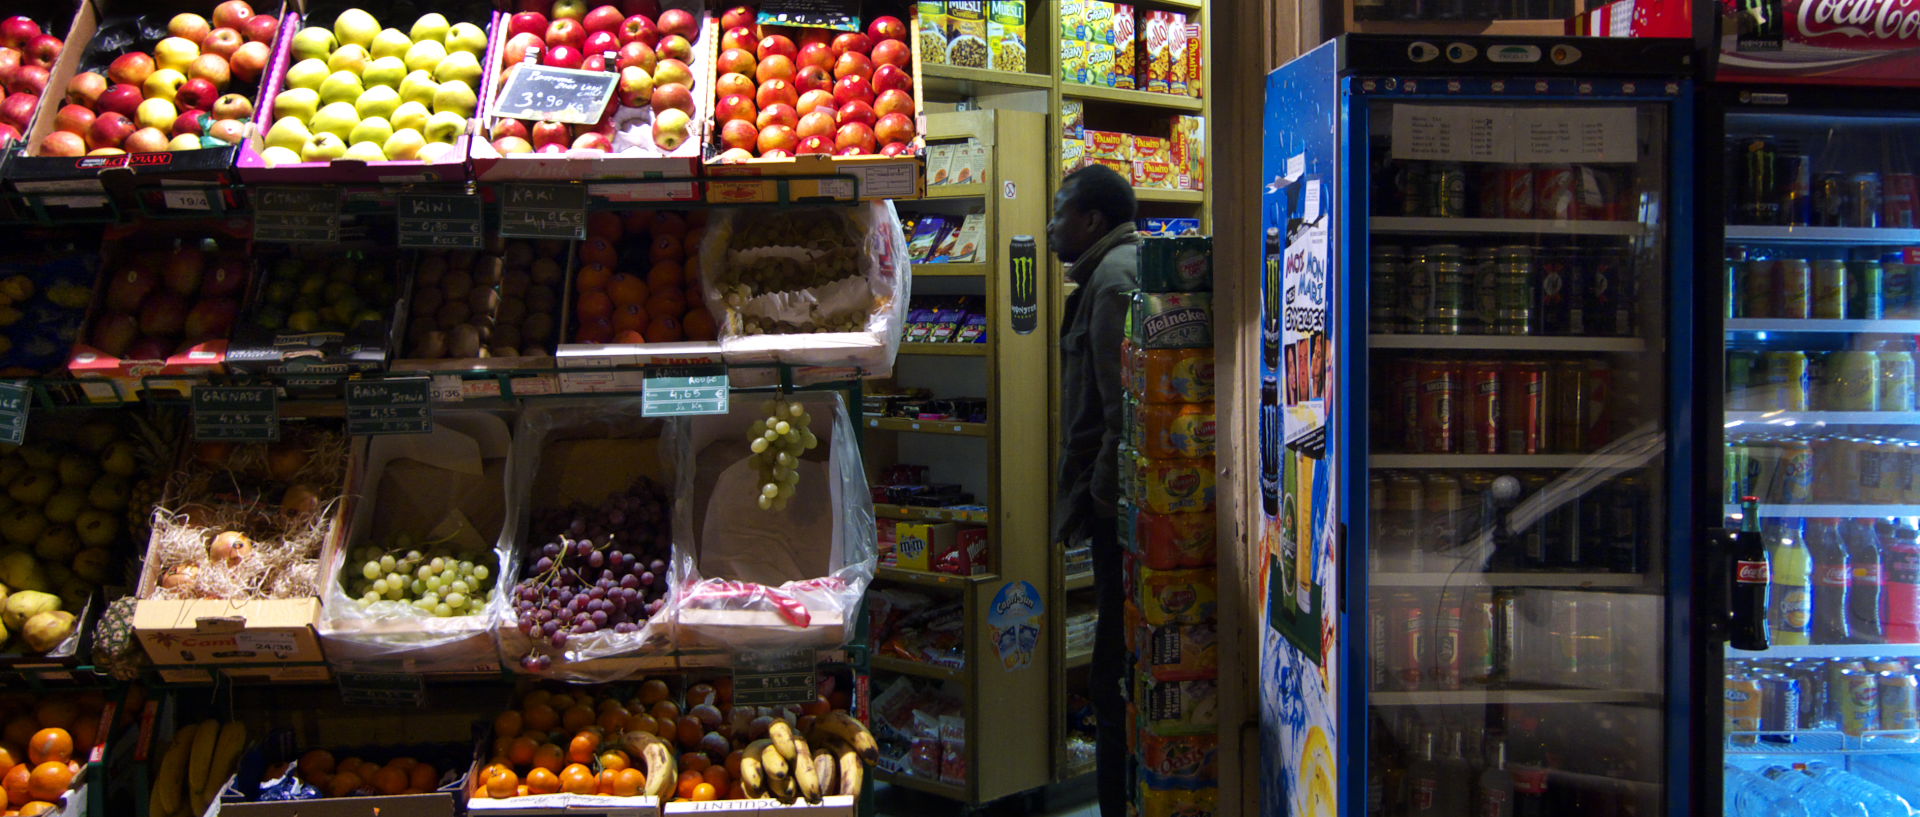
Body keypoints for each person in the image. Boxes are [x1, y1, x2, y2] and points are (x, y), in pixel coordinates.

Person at [1049, 163, 1138, 817]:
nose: (1051, 225)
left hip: (1122, 515)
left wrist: (1102, 504)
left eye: (1059, 212)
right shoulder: (1114, 272)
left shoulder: (1110, 283)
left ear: (1092, 221)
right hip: (1125, 507)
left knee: (1111, 676)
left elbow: (1120, 411)